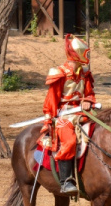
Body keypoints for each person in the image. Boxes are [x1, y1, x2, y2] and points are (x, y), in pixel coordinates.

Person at [42, 34, 97, 196]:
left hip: (82, 113)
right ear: (76, 54)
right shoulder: (60, 73)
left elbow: (90, 94)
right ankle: (66, 181)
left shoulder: (84, 74)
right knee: (70, 140)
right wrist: (48, 119)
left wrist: (88, 100)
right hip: (63, 115)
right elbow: (51, 99)